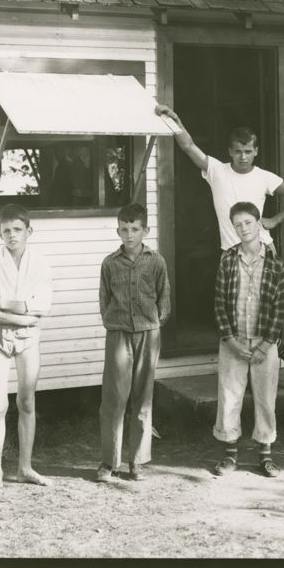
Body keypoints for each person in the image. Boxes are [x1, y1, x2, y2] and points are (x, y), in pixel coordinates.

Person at [0, 203, 54, 495]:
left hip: (29, 340)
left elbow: (42, 307)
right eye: (6, 230)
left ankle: (25, 468)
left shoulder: (40, 263)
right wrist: (20, 316)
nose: (12, 235)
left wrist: (4, 304)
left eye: (17, 229)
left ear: (28, 231)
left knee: (27, 403)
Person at [153, 104, 284, 251]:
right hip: (231, 251)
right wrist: (175, 120)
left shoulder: (264, 177)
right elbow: (189, 146)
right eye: (238, 151)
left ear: (256, 151)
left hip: (262, 248)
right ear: (230, 151)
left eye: (248, 151)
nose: (243, 157)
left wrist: (275, 220)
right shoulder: (217, 170)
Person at [211, 202, 284, 478]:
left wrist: (266, 344)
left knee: (266, 398)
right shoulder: (228, 259)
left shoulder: (275, 262)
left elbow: (279, 307)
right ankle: (230, 454)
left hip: (263, 342)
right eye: (237, 224)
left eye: (248, 222)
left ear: (259, 223)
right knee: (229, 397)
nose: (243, 228)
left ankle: (265, 455)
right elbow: (219, 302)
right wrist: (230, 340)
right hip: (234, 340)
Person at [96, 203, 170, 483]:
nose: (129, 235)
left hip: (148, 333)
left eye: (135, 229)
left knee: (143, 398)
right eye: (124, 230)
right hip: (118, 333)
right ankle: (109, 461)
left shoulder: (156, 260)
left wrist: (154, 323)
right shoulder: (110, 263)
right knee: (114, 398)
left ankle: (137, 461)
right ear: (118, 230)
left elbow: (164, 297)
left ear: (145, 230)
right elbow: (104, 299)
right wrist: (112, 322)